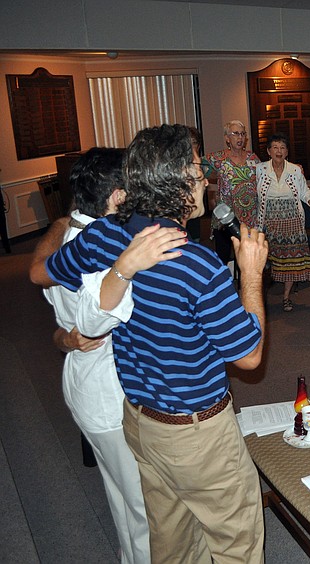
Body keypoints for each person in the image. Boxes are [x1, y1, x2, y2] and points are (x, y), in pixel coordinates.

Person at [33, 124, 268, 562]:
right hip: (196, 436)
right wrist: (251, 274)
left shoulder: (105, 235)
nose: (207, 180)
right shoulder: (198, 267)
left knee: (173, 546)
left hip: (140, 423)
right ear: (177, 180)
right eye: (199, 170)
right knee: (237, 545)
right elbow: (249, 356)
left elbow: (42, 272)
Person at [37, 148, 182, 563]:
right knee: (143, 505)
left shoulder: (69, 238)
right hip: (106, 389)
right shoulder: (97, 248)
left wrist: (64, 338)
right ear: (118, 196)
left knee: (121, 496)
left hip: (84, 383)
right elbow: (99, 318)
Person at [256, 133, 310, 312]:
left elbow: (304, 191)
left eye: (283, 148)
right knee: (265, 261)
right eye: (275, 147)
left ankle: (286, 297)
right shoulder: (259, 169)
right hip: (268, 220)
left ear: (287, 152)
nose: (279, 151)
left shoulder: (294, 170)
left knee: (290, 262)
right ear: (269, 151)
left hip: (292, 220)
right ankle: (260, 299)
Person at [206, 119, 260, 263]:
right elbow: (198, 171)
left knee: (248, 259)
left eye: (242, 134)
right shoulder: (217, 159)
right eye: (235, 133)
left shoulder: (253, 158)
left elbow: (262, 180)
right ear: (227, 138)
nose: (240, 137)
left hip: (250, 217)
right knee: (223, 257)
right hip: (225, 217)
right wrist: (211, 193)